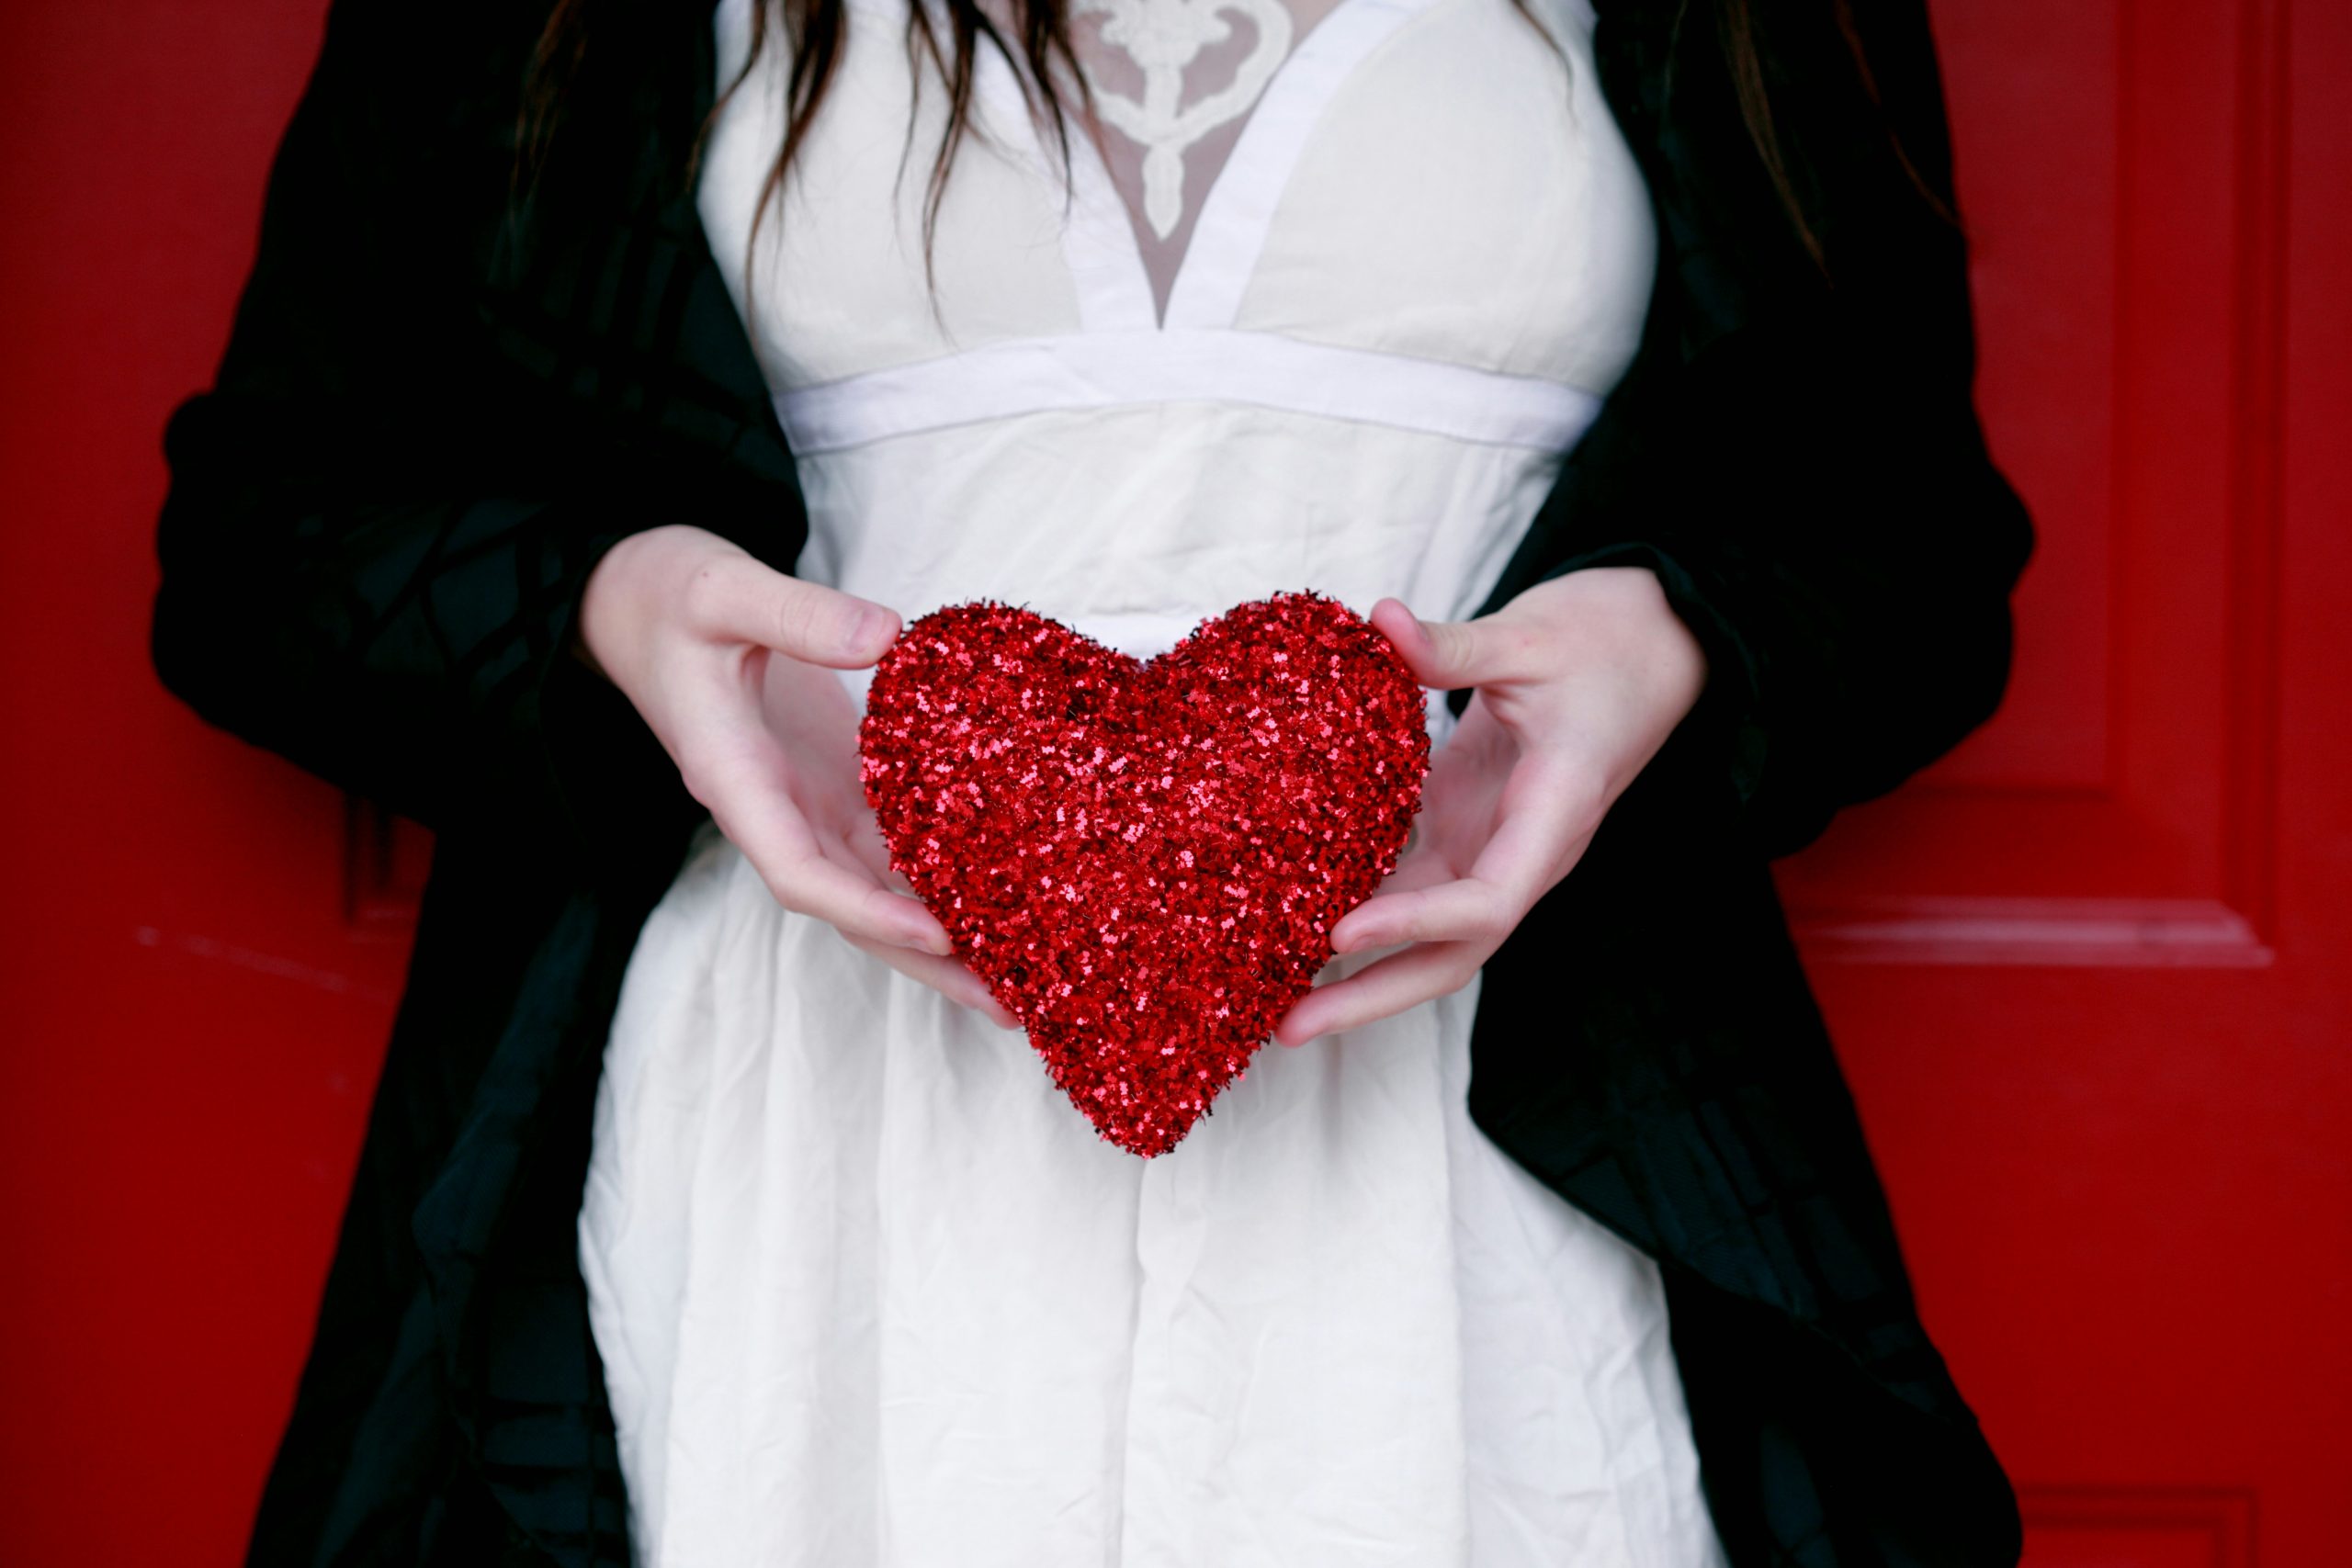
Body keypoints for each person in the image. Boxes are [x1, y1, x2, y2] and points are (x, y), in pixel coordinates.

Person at [151, 0, 2034, 1562]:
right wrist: (608, 614)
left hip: (1506, 1129)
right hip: (785, 1134)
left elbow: (1908, 543)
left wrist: (1674, 642)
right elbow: (267, 543)